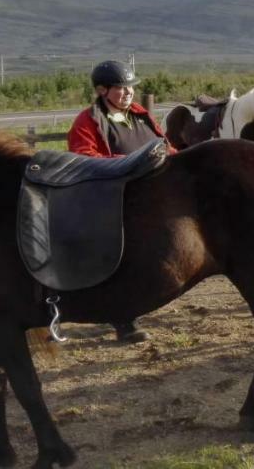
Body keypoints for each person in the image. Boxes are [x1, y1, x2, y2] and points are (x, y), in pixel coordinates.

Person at [67, 60, 173, 343]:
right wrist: (129, 162)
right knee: (115, 254)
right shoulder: (87, 120)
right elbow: (83, 157)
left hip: (150, 190)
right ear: (102, 91)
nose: (128, 93)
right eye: (121, 88)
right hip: (113, 195)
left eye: (130, 88)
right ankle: (123, 319)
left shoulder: (140, 113)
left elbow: (164, 145)